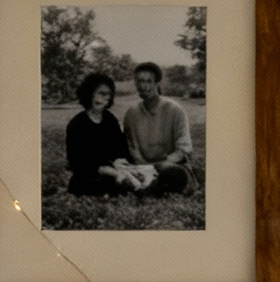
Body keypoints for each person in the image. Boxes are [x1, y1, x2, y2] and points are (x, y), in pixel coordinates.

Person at [121, 63, 194, 196]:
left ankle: (149, 187)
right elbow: (131, 148)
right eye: (140, 81)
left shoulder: (175, 110)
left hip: (168, 166)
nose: (143, 86)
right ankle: (147, 187)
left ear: (157, 83)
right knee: (115, 172)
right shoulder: (131, 113)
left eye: (149, 81)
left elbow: (184, 149)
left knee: (171, 173)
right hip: (141, 168)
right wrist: (142, 168)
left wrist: (156, 167)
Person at [63, 71, 136, 198]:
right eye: (101, 94)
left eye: (108, 95)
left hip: (115, 170)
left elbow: (121, 146)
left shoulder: (110, 119)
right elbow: (77, 161)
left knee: (134, 178)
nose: (105, 99)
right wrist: (108, 169)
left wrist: (120, 160)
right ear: (89, 93)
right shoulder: (77, 124)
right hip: (89, 176)